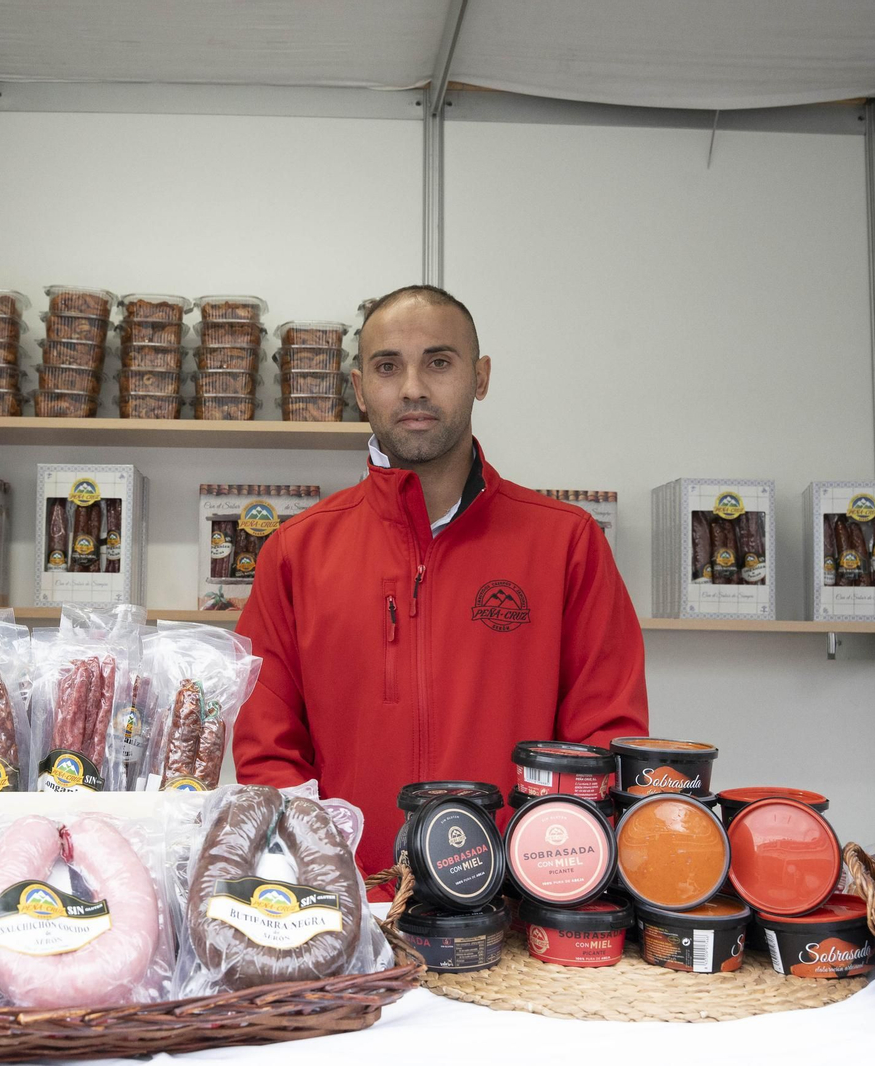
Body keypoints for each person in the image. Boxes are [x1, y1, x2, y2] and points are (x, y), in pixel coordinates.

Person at [233, 284, 649, 876]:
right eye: (387, 366)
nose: (413, 387)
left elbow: (604, 738)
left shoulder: (566, 543)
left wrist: (552, 881)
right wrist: (325, 885)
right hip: (353, 912)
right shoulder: (295, 553)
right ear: (359, 389)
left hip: (517, 911)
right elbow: (268, 749)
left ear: (480, 376)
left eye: (439, 361)